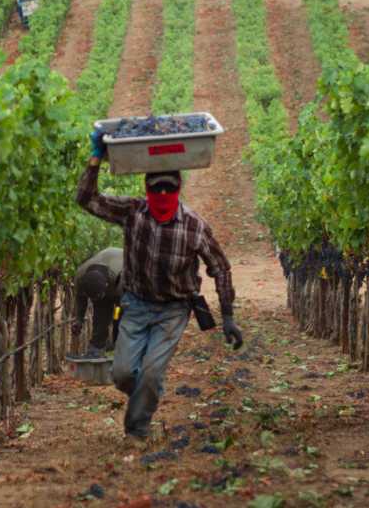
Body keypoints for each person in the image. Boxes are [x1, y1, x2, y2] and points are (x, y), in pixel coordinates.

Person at [76, 128, 244, 441]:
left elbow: (220, 267)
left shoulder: (194, 226)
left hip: (173, 311)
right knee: (122, 374)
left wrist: (228, 316)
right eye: (157, 189)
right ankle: (147, 394)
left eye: (169, 189)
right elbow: (86, 199)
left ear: (179, 188)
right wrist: (96, 158)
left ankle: (137, 430)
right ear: (146, 188)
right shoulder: (133, 212)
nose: (163, 195)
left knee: (151, 374)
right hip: (136, 305)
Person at [72, 246, 124, 357]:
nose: (94, 301)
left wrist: (117, 331)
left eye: (98, 297)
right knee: (100, 315)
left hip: (121, 280)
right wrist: (79, 320)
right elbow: (80, 299)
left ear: (106, 286)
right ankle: (96, 348)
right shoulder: (80, 276)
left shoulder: (120, 277)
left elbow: (120, 306)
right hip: (106, 278)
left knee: (119, 317)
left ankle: (120, 348)